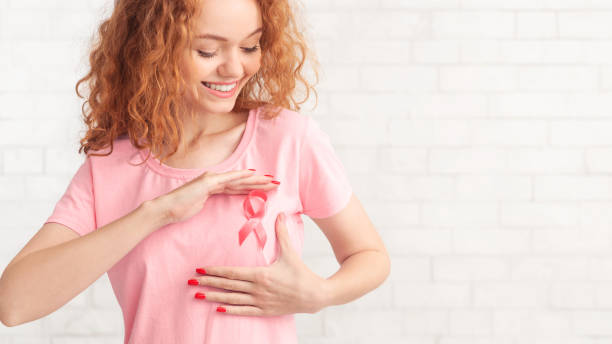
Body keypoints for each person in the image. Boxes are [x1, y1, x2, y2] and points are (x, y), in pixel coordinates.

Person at [0, 0, 391, 342]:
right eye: (207, 51)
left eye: (250, 46)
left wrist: (319, 294)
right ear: (153, 48)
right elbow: (14, 304)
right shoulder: (111, 165)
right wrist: (158, 212)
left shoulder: (287, 139)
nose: (235, 68)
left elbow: (369, 255)